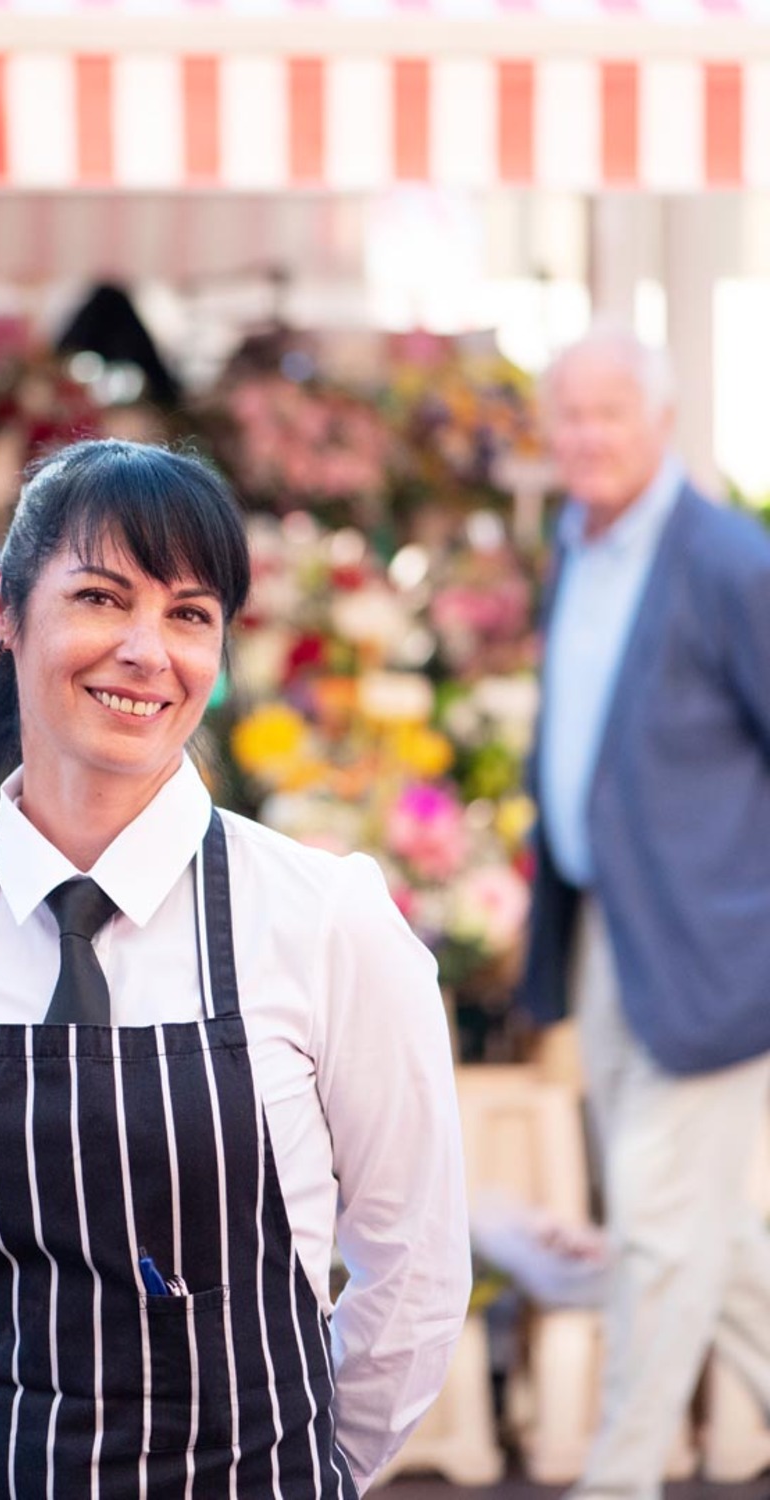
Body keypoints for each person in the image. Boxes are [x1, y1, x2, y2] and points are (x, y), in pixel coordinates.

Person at [0, 438, 469, 1498]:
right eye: (100, 597)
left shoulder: (323, 921)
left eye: (189, 615)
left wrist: (306, 1469)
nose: (145, 651)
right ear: (4, 608)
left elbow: (417, 1272)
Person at [518, 327, 770, 1500]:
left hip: (715, 949)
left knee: (664, 1234)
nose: (586, 437)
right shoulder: (575, 545)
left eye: (609, 412)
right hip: (614, 937)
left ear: (663, 422)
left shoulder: (726, 560)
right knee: (711, 1238)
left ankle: (613, 1482)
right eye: (569, 414)